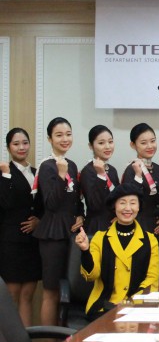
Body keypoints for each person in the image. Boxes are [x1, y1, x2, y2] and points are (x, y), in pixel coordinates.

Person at [75, 183, 159, 319]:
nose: (128, 208)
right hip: (103, 306)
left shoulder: (150, 240)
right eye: (122, 203)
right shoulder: (100, 238)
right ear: (114, 206)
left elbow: (151, 280)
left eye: (133, 203)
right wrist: (85, 251)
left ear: (139, 207)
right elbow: (92, 275)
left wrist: (130, 303)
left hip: (137, 307)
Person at [33, 117, 84, 326]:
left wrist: (81, 215)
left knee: (69, 290)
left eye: (68, 134)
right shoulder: (47, 166)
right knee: (51, 291)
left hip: (71, 232)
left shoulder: (72, 165)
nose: (65, 139)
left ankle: (65, 339)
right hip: (52, 234)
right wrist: (61, 175)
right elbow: (51, 203)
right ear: (49, 139)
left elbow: (76, 200)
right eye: (59, 135)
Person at [0, 128, 43, 326]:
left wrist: (39, 221)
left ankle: (26, 340)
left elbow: (43, 205)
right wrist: (6, 175)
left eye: (25, 143)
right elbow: (5, 202)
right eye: (16, 144)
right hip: (11, 242)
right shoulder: (4, 172)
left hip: (32, 242)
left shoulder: (36, 172)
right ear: (8, 147)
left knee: (27, 294)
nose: (21, 147)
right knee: (12, 295)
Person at [122, 123, 159, 274]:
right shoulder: (131, 170)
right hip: (139, 230)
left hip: (157, 231)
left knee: (158, 274)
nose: (150, 146)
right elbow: (130, 200)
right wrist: (138, 176)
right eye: (143, 142)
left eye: (153, 141)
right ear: (133, 145)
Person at [81, 125, 120, 234]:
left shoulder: (112, 170)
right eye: (101, 143)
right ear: (91, 146)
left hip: (114, 225)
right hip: (97, 226)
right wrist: (101, 175)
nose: (108, 146)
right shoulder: (88, 171)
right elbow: (94, 205)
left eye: (110, 142)